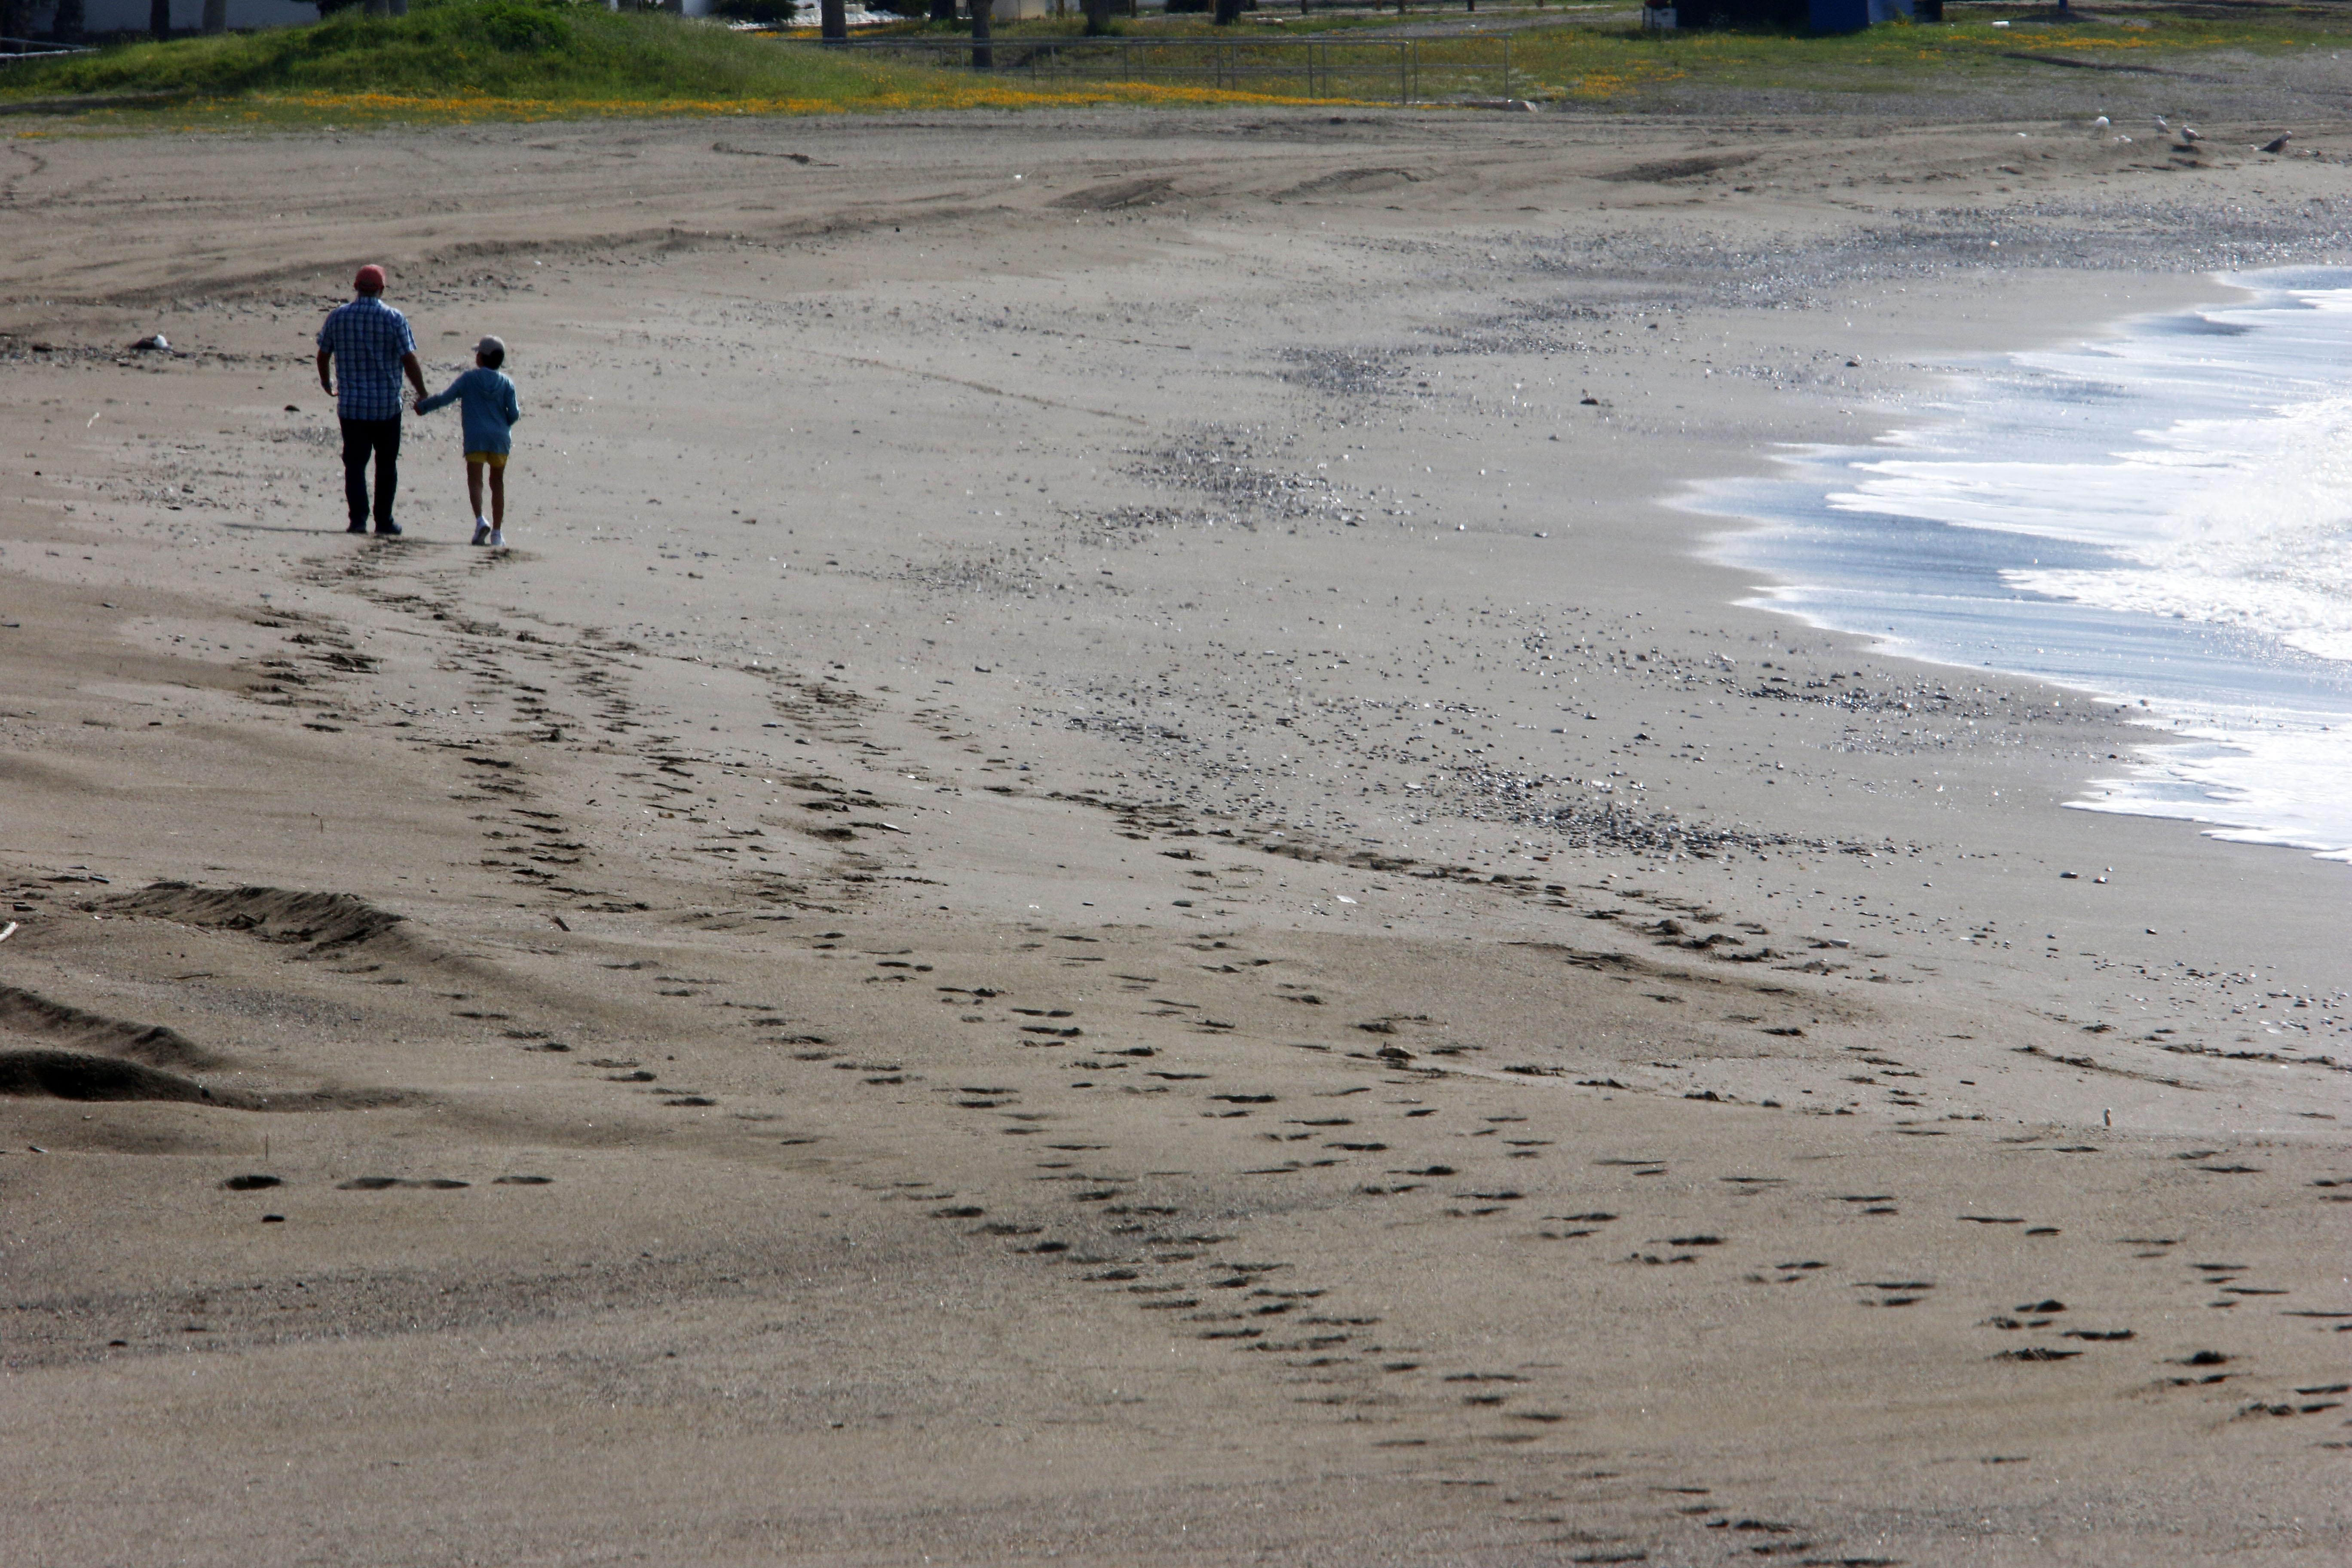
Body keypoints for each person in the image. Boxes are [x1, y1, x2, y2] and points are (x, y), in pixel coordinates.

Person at [315, 264, 426, 536]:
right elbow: (408, 359)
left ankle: (358, 520)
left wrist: (327, 382)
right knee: (386, 465)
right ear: (382, 288)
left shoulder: (338, 316)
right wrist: (422, 391)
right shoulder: (394, 318)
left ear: (356, 287)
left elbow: (323, 354)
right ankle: (384, 520)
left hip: (352, 405)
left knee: (354, 464)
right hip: (386, 405)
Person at [414, 335, 523, 548]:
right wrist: (504, 423)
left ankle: (481, 520)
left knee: (476, 480)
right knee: (497, 483)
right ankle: (498, 534)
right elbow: (514, 414)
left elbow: (446, 398)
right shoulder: (507, 383)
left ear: (482, 358)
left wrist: (423, 407)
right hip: (500, 439)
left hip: (476, 436)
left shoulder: (469, 379)